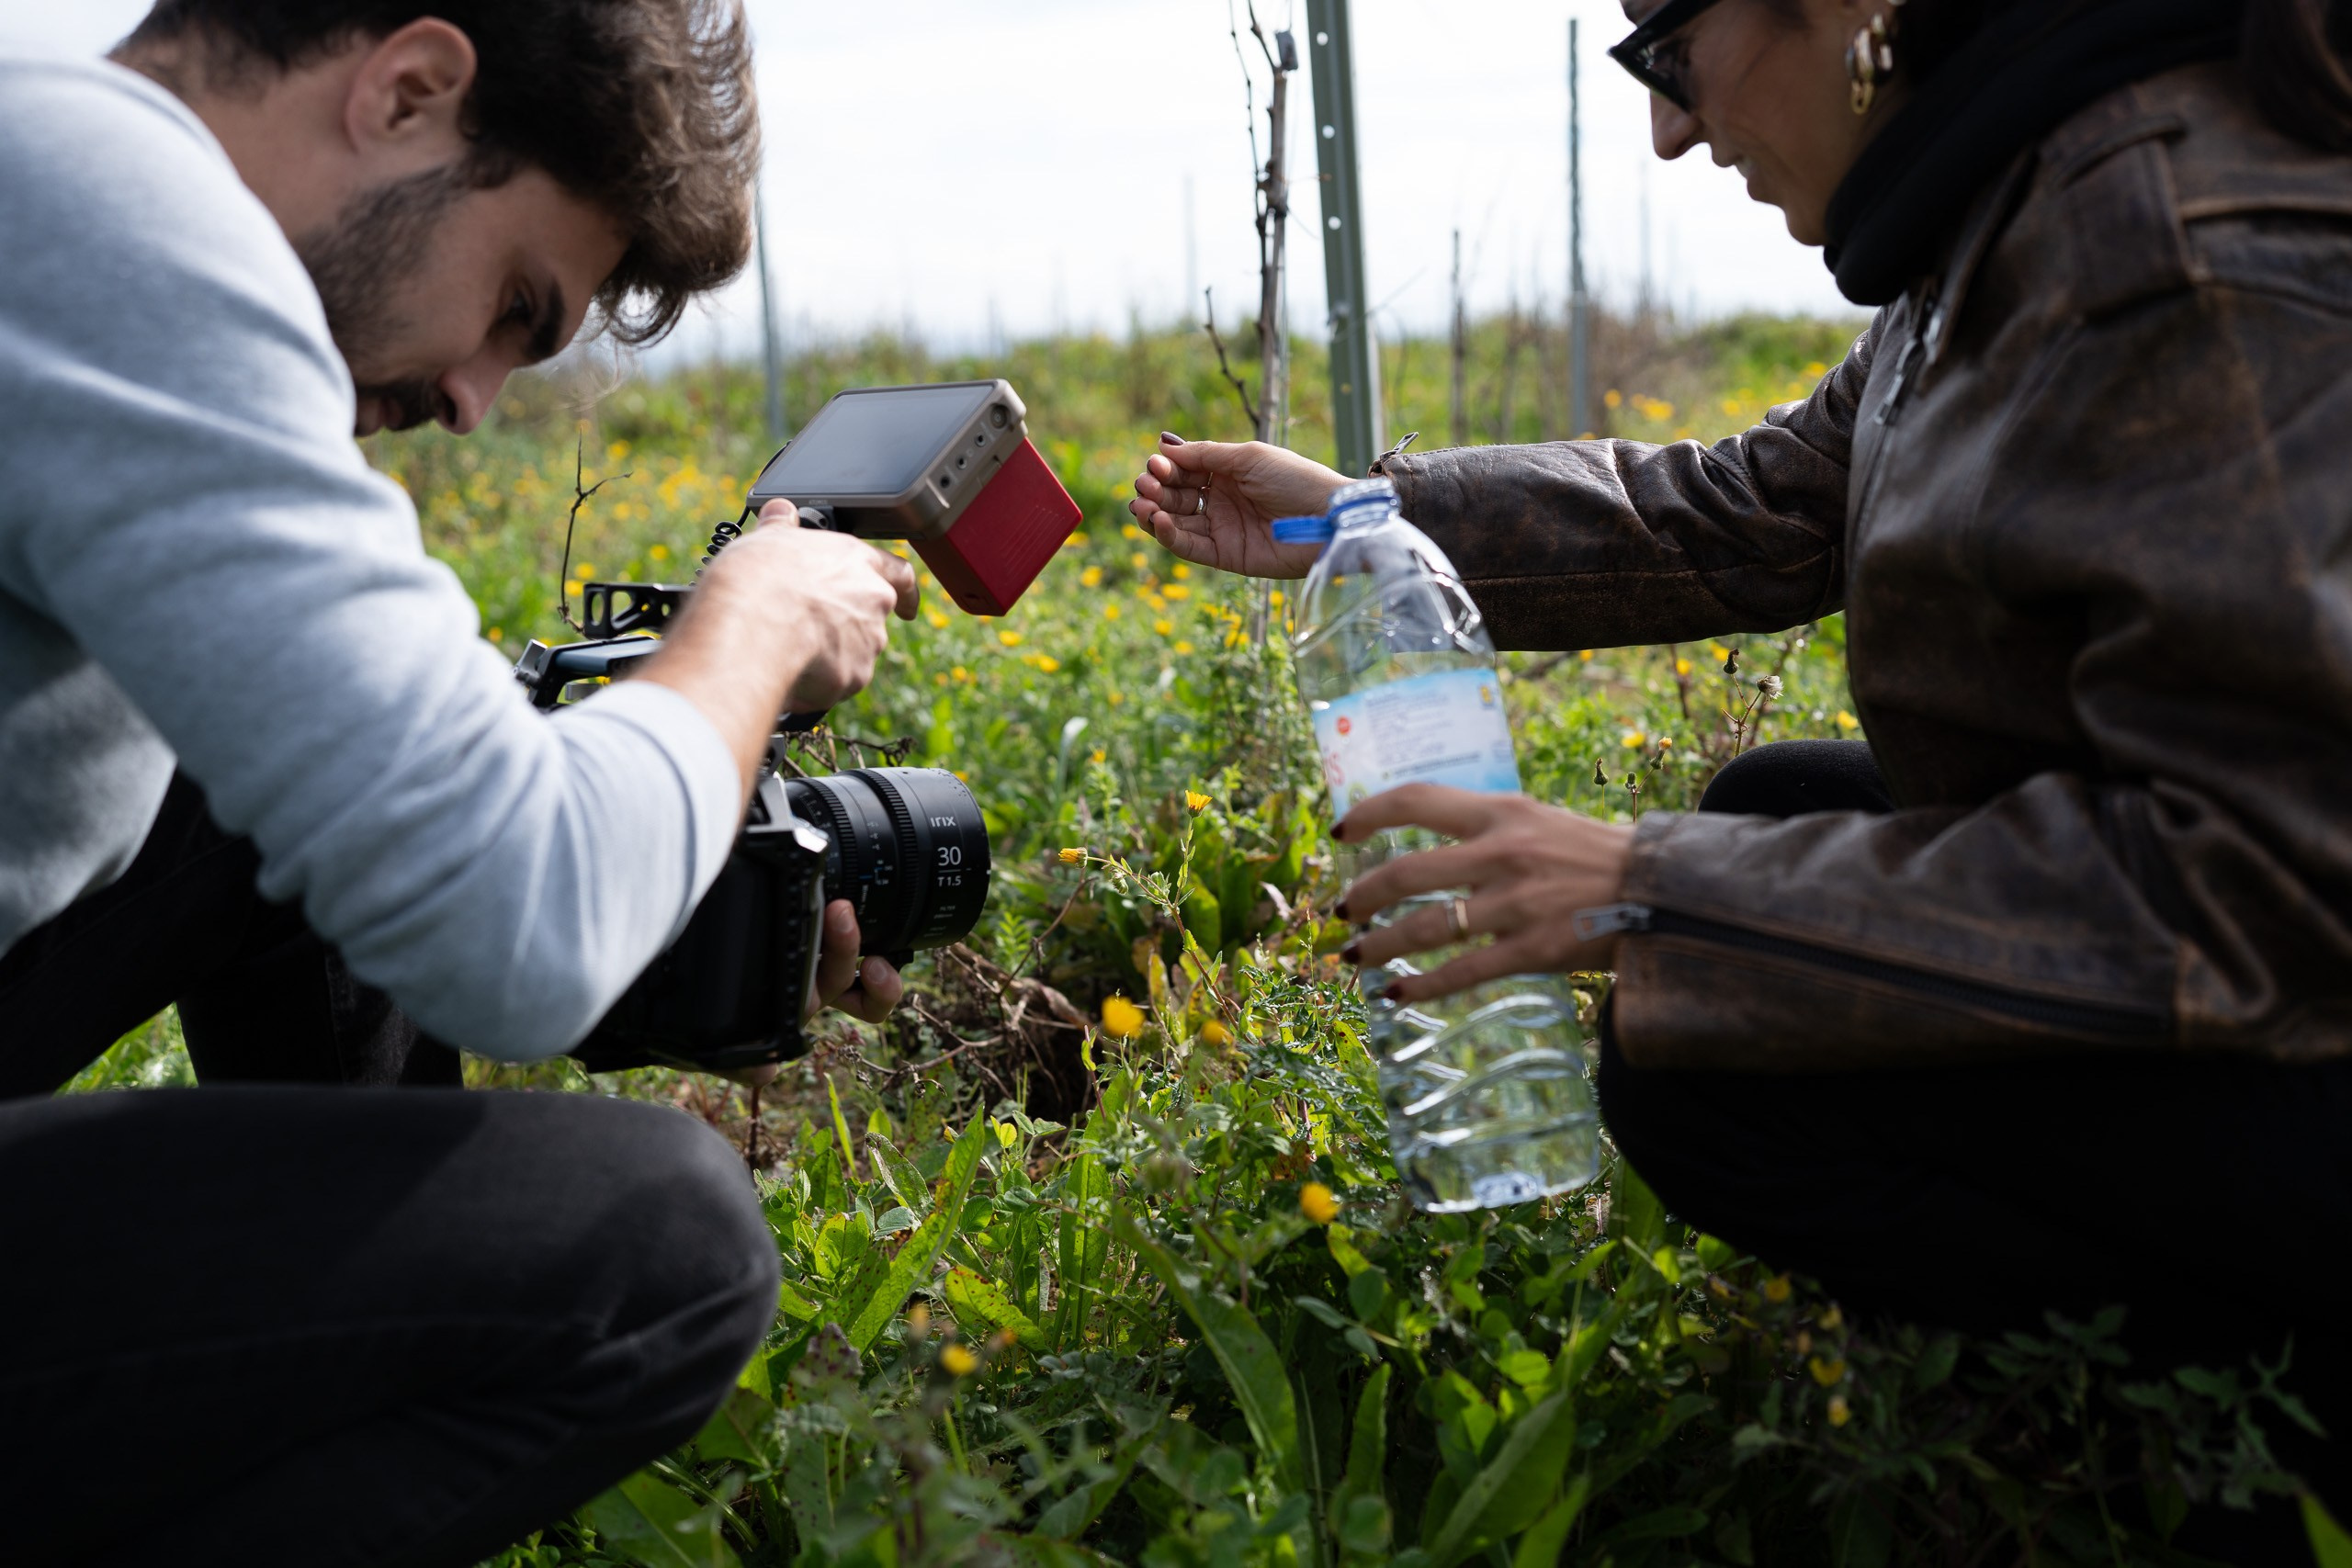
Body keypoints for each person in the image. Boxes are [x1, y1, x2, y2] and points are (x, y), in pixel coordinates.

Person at [1135, 0, 2352, 1551]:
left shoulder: (2165, 241)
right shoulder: (2008, 201)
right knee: (1773, 815)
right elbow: (1742, 513)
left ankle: (2254, 1448)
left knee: (1710, 1043)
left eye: (1667, 51)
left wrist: (1651, 893)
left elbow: (2274, 878)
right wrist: (1360, 523)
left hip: (2309, 1001)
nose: (1669, 127)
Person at [0, 3, 917, 1561]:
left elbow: (395, 783)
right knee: (662, 1255)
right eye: (512, 302)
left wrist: (676, 877)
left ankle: (313, 1353)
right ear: (411, 91)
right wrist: (745, 641)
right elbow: (519, 926)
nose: (477, 400)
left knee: (258, 800)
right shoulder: (106, 217)